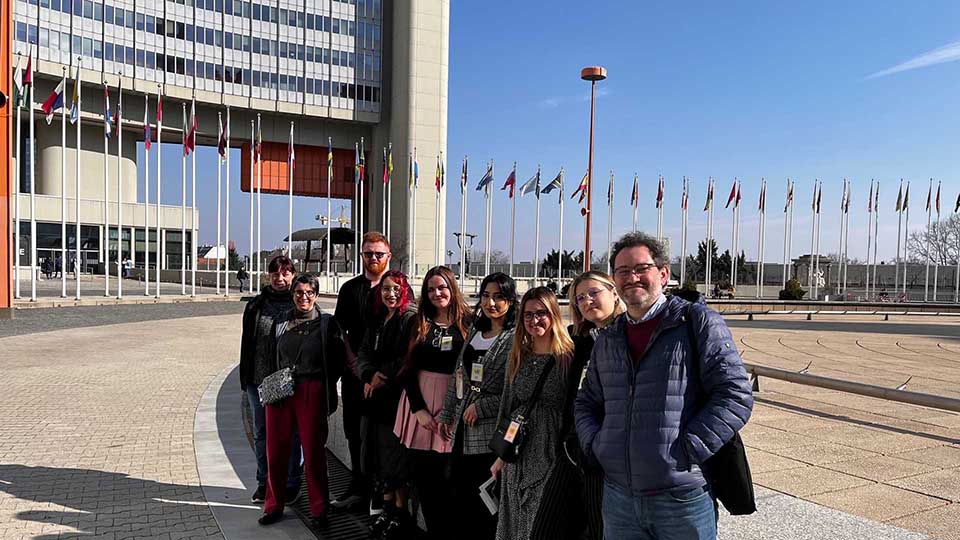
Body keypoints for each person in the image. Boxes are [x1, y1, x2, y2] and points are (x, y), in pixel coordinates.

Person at [575, 232, 754, 540]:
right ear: (615, 280)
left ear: (663, 273)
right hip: (619, 498)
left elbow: (735, 394)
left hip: (680, 497)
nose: (632, 277)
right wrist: (597, 444)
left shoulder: (696, 322)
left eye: (641, 268)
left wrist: (689, 448)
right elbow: (586, 401)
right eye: (622, 271)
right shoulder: (609, 338)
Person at [530, 271, 626, 540]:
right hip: (572, 446)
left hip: (607, 452)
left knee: (598, 528)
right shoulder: (580, 339)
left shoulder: (628, 336)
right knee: (547, 528)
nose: (587, 301)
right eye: (580, 297)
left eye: (594, 293)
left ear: (614, 292)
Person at [490, 287, 578, 540]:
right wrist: (500, 455)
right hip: (517, 450)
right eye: (528, 315)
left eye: (541, 313)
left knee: (541, 521)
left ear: (553, 314)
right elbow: (508, 406)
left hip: (551, 450)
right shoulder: (518, 355)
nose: (534, 320)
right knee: (513, 519)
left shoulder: (568, 356)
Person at [258, 273, 346, 527]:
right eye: (299, 293)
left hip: (311, 390)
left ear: (316, 295)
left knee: (314, 453)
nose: (304, 297)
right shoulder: (281, 322)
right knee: (275, 452)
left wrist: (323, 385)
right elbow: (270, 355)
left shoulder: (327, 324)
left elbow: (339, 359)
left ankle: (319, 509)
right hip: (281, 391)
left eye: (309, 292)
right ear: (292, 295)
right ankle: (274, 504)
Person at [438, 272, 518, 540]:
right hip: (463, 426)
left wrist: (483, 407)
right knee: (458, 492)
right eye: (486, 296)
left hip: (489, 434)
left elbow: (516, 392)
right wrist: (448, 414)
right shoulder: (475, 330)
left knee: (484, 499)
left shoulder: (515, 337)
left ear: (510, 300)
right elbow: (458, 376)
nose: (491, 303)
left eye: (498, 297)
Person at [394, 266, 471, 538]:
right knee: (425, 481)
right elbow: (405, 370)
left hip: (455, 405)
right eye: (430, 289)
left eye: (442, 287)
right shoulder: (417, 323)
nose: (437, 293)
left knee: (451, 480)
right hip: (421, 407)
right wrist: (419, 410)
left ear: (452, 288)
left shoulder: (470, 323)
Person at [333, 232, 407, 512]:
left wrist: (378, 375)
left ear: (388, 257)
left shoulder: (396, 287)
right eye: (368, 254)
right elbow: (342, 332)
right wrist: (360, 371)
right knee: (355, 433)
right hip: (357, 376)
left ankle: (383, 496)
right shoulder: (351, 289)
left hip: (388, 381)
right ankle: (359, 486)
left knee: (385, 440)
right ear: (361, 256)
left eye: (379, 254)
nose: (373, 258)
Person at [357, 270, 418, 540]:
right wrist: (369, 374)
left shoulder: (410, 318)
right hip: (377, 399)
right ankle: (387, 509)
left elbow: (408, 357)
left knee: (396, 459)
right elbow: (364, 352)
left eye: (396, 288)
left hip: (397, 398)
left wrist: (382, 378)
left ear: (405, 290)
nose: (391, 293)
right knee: (379, 457)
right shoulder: (380, 318)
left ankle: (400, 513)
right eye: (386, 289)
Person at [238, 255, 304, 505]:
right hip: (258, 381)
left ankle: (291, 483)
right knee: (261, 433)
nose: (280, 278)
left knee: (292, 433)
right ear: (268, 275)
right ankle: (264, 482)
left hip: (288, 382)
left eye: (285, 273)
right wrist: (245, 378)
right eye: (275, 273)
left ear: (293, 274)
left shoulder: (300, 301)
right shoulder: (256, 305)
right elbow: (247, 343)